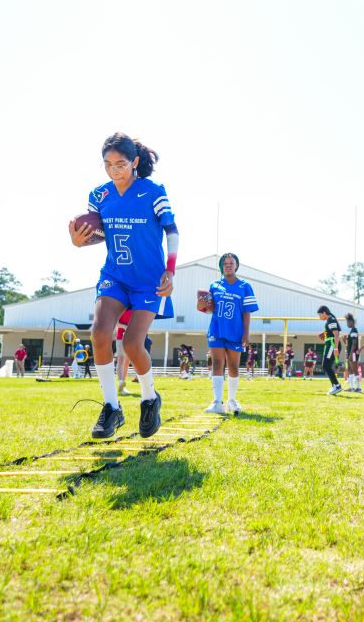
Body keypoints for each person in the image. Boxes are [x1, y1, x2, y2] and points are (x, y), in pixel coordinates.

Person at [69, 132, 177, 439]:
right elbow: (103, 235)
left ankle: (149, 398)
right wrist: (79, 241)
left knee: (132, 344)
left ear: (135, 162)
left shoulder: (152, 191)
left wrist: (171, 271)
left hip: (149, 280)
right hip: (115, 274)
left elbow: (173, 231)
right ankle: (111, 407)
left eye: (121, 164)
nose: (114, 170)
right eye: (108, 164)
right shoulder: (99, 196)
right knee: (99, 333)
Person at [203, 252, 258, 415]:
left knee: (233, 366)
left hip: (235, 331)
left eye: (231, 263)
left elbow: (247, 312)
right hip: (216, 329)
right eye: (225, 263)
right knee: (217, 364)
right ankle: (217, 402)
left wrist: (246, 334)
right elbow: (210, 308)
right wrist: (202, 305)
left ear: (236, 265)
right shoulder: (214, 285)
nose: (228, 265)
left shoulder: (245, 286)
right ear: (221, 266)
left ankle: (232, 400)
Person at [317, 305, 342, 394]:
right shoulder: (330, 320)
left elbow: (336, 334)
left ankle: (336, 385)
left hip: (332, 345)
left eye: (320, 315)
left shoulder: (331, 320)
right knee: (326, 365)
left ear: (324, 313)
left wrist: (335, 348)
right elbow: (331, 331)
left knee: (326, 365)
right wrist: (324, 333)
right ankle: (335, 385)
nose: (319, 317)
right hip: (330, 344)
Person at [343, 313, 362, 392]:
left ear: (352, 322)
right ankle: (351, 387)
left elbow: (354, 343)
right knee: (350, 370)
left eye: (348, 322)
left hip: (353, 353)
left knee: (354, 370)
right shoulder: (351, 331)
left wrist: (351, 354)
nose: (347, 324)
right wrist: (345, 340)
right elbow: (349, 344)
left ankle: (358, 388)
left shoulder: (354, 330)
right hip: (350, 353)